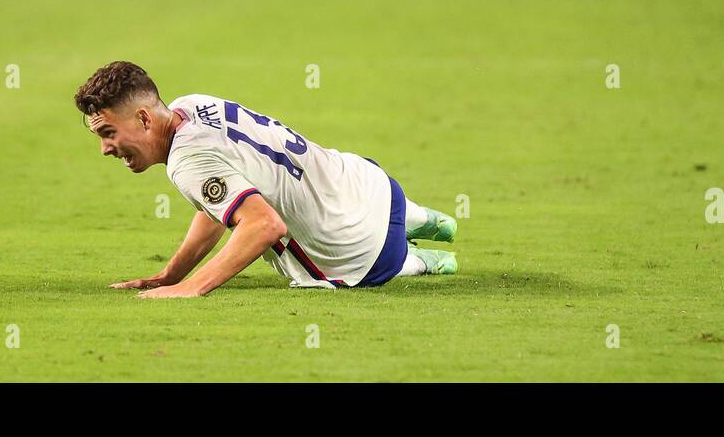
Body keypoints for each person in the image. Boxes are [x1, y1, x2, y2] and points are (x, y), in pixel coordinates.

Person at [74, 62, 458, 296]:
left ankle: (421, 262)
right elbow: (218, 206)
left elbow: (263, 226)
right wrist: (170, 274)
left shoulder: (186, 161)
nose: (106, 149)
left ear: (143, 119)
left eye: (108, 133)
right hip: (372, 184)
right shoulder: (189, 105)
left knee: (354, 261)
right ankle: (424, 218)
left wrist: (190, 287)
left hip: (361, 252)